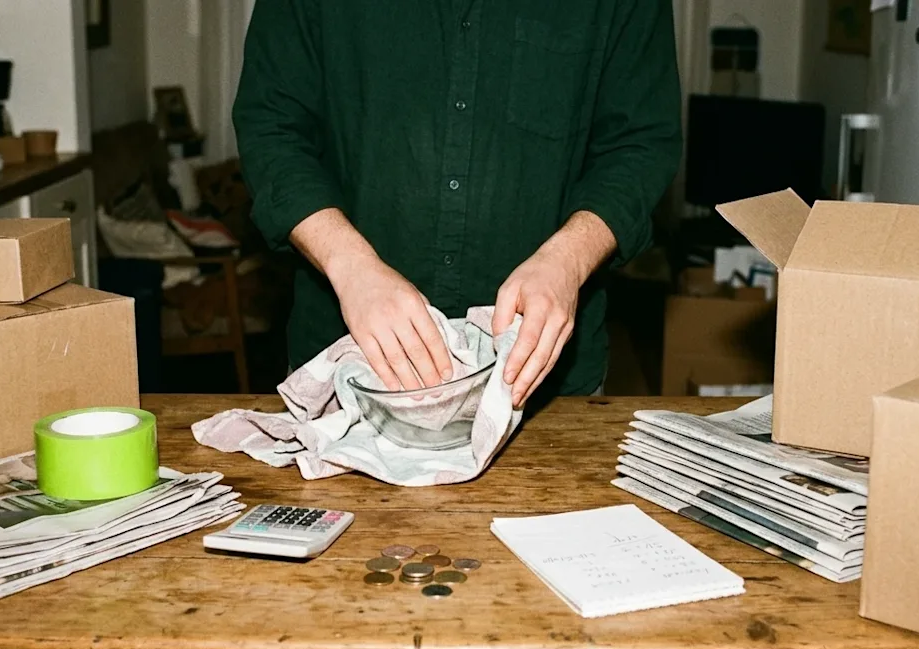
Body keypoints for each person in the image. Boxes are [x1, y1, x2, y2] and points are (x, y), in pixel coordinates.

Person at [233, 1, 681, 408]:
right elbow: (271, 125)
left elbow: (640, 142)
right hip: (342, 371)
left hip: (550, 389)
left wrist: (568, 260)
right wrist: (350, 264)